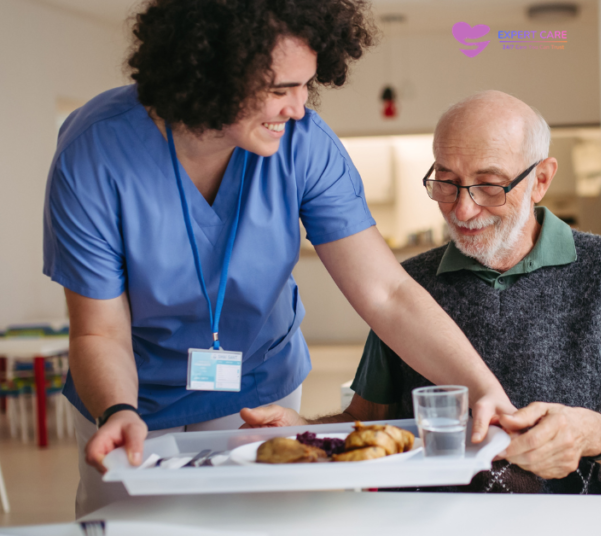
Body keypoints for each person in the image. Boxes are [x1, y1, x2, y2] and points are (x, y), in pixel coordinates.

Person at [43, 0, 513, 516]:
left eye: (306, 84)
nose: (299, 107)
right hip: (129, 394)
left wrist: (483, 388)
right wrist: (117, 409)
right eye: (279, 89)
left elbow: (389, 293)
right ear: (208, 75)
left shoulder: (302, 143)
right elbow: (99, 332)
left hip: (255, 394)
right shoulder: (96, 152)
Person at [242, 90, 601, 494]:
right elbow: (366, 422)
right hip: (426, 519)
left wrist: (594, 432)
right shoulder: (408, 287)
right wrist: (300, 429)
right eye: (447, 182)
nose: (464, 209)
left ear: (542, 180)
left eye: (490, 186)